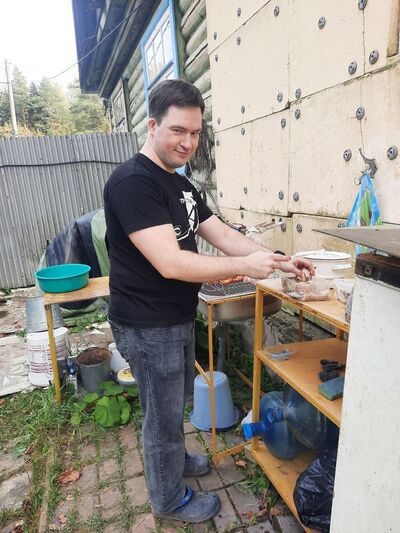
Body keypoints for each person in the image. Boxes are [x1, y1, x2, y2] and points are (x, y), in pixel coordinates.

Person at [103, 79, 314, 523]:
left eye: (196, 133)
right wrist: (245, 268)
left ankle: (175, 462)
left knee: (174, 402)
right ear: (152, 125)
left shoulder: (179, 183)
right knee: (161, 417)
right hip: (146, 323)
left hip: (175, 317)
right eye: (178, 131)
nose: (188, 143)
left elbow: (221, 234)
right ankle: (168, 500)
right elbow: (170, 263)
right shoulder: (133, 183)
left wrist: (276, 260)